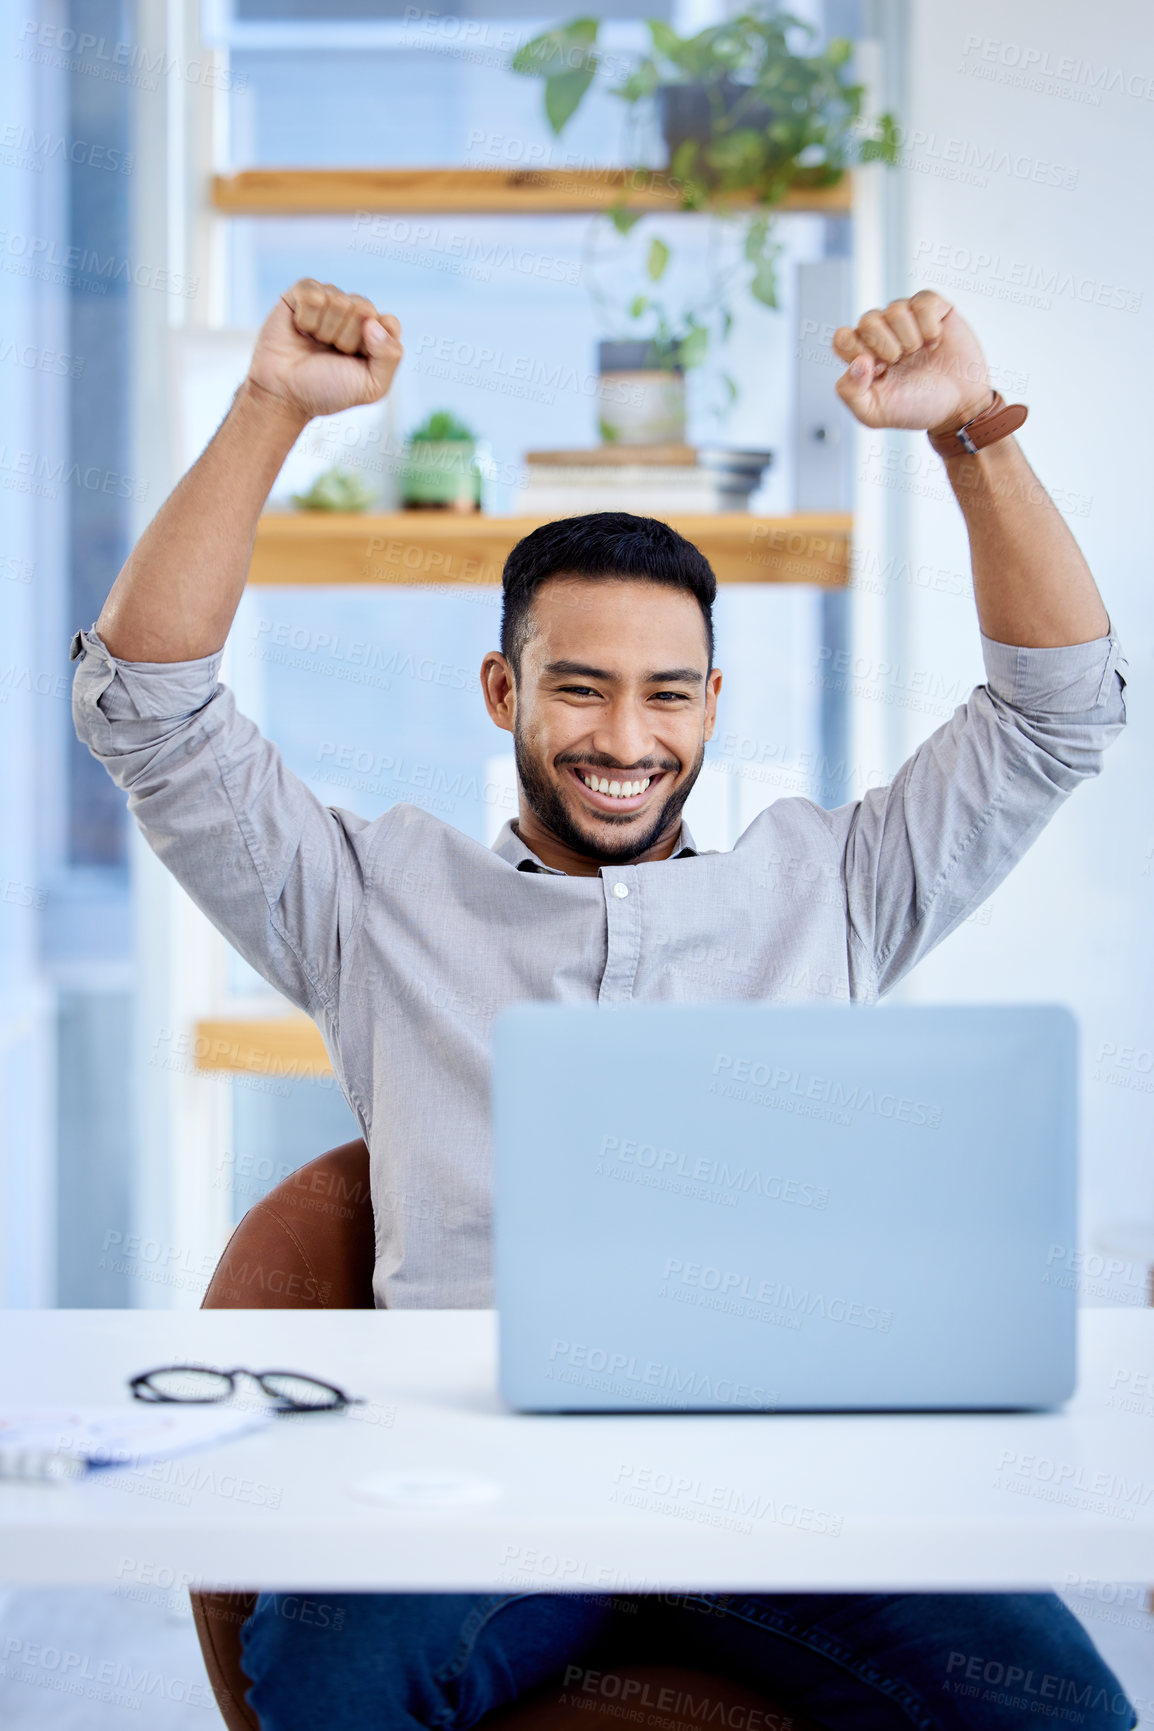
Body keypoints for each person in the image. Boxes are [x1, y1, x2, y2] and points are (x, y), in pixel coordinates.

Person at [72, 282, 1132, 1730]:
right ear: (503, 691)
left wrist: (972, 433)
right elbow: (147, 706)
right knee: (328, 1672)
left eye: (666, 697)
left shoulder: (833, 886)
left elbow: (1055, 714)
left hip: (792, 1496)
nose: (624, 742)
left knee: (1061, 1709)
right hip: (469, 1495)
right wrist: (271, 412)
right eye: (578, 692)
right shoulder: (373, 902)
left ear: (709, 703)